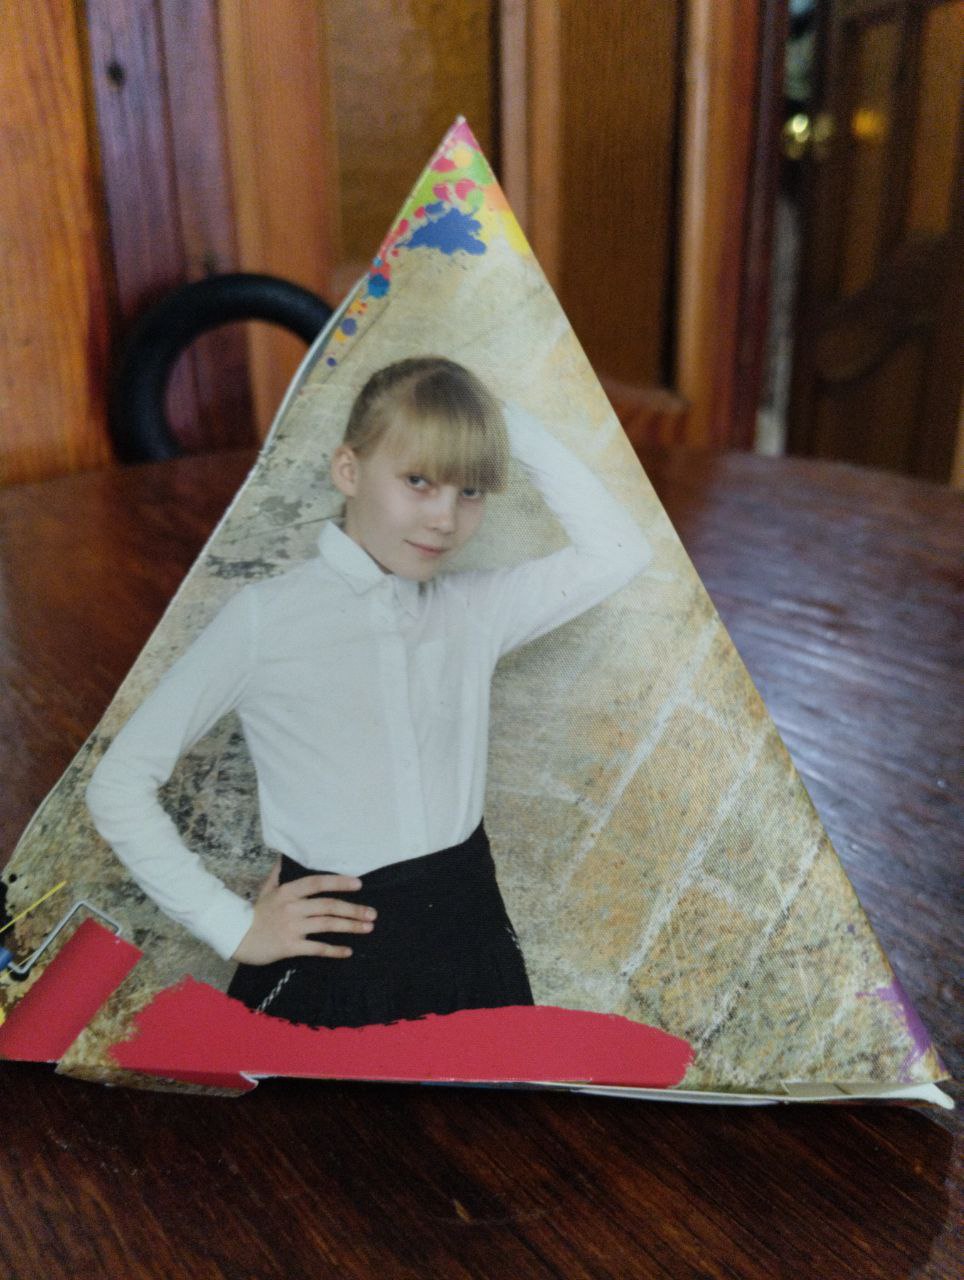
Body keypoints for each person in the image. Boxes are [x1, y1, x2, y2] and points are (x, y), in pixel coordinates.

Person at [87, 357, 650, 1028]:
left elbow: (620, 551)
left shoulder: (476, 610)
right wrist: (230, 926)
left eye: (470, 490)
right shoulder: (264, 621)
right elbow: (118, 784)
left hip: (468, 935)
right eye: (419, 481)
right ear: (348, 471)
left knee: (487, 1098)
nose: (444, 518)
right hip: (335, 950)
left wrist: (499, 419)